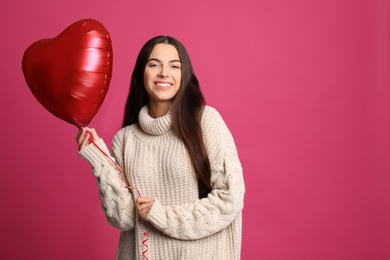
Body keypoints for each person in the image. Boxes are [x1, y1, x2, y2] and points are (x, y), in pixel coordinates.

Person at [76, 35, 245, 260]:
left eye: (174, 66)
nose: (164, 73)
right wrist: (100, 159)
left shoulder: (206, 122)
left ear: (184, 75)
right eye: (154, 64)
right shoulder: (125, 140)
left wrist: (163, 216)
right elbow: (123, 218)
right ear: (141, 73)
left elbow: (229, 198)